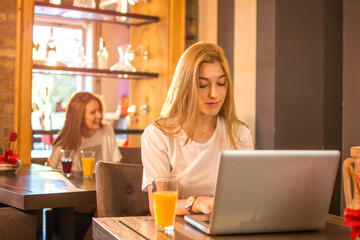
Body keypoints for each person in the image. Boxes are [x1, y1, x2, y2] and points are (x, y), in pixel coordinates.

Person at [141, 41, 254, 216]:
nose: (214, 94)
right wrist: (197, 203)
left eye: (221, 83)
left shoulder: (239, 133)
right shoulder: (157, 135)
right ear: (185, 87)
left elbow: (247, 196)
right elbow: (158, 207)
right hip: (176, 228)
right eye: (203, 85)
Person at [48, 92, 122, 170]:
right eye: (93, 112)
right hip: (74, 182)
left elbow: (117, 163)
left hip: (104, 182)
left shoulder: (107, 130)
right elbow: (50, 168)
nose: (99, 115)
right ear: (79, 117)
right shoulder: (67, 138)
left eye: (99, 110)